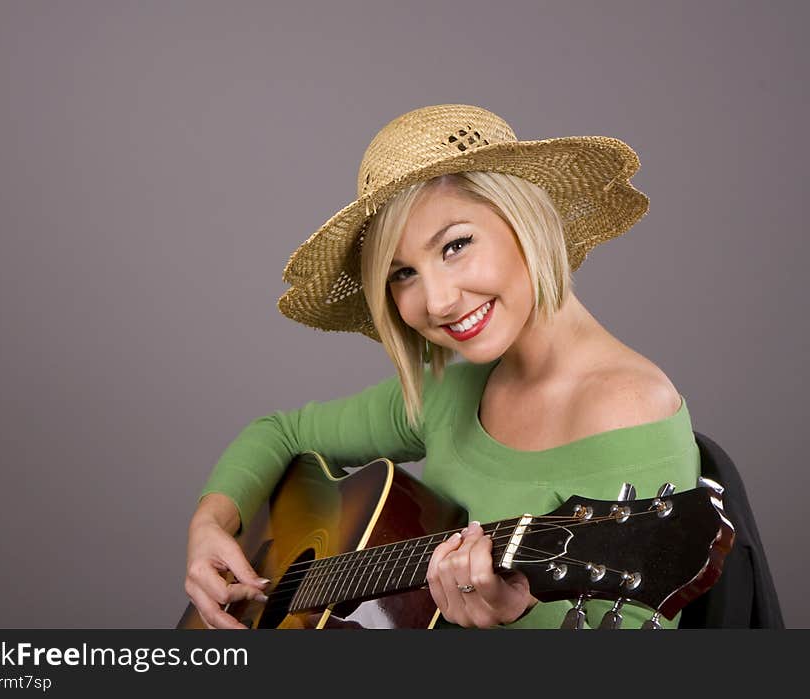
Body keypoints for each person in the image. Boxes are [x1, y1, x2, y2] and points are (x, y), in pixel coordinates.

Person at [184, 104, 700, 629]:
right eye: (403, 273)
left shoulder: (629, 407)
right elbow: (280, 433)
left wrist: (510, 616)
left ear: (526, 220)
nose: (436, 301)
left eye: (455, 245)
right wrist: (211, 524)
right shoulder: (449, 394)